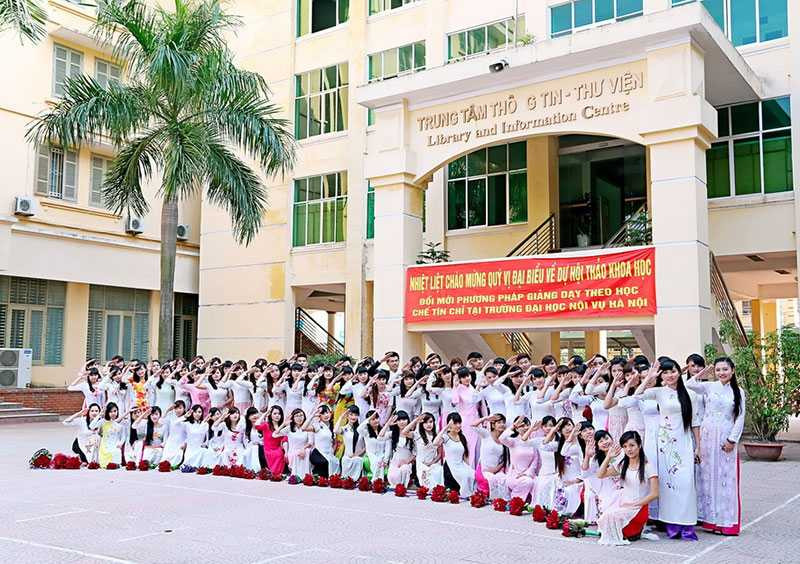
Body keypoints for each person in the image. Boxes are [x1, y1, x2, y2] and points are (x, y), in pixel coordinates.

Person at [635, 358, 700, 540]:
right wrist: (650, 377)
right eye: (665, 373)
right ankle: (672, 524)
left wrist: (698, 447)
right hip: (665, 445)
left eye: (673, 371)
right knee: (668, 485)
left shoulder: (690, 394)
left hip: (684, 442)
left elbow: (695, 422)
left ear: (679, 372)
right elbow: (637, 395)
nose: (670, 375)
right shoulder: (658, 392)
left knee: (686, 484)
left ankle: (687, 525)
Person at [685, 357, 745, 535]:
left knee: (725, 478)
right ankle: (711, 520)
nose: (721, 373)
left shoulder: (738, 391)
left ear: (733, 370)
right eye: (718, 370)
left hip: (725, 436)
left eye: (725, 369)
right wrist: (703, 373)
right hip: (707, 437)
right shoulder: (709, 386)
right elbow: (689, 384)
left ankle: (726, 521)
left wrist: (732, 440)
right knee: (708, 477)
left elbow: (740, 417)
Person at [597, 431, 659, 545]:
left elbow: (655, 494)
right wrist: (608, 457)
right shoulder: (622, 465)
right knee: (606, 517)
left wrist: (636, 504)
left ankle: (636, 529)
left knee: (612, 518)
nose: (628, 449)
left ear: (639, 445)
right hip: (623, 505)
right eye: (625, 446)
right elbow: (600, 475)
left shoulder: (648, 466)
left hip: (638, 508)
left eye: (632, 445)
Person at [435, 412, 475, 496]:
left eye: (459, 423)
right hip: (450, 466)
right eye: (455, 423)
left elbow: (465, 456)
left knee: (472, 474)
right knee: (464, 476)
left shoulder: (462, 437)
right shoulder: (446, 437)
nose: (458, 425)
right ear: (450, 425)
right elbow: (435, 443)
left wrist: (468, 467)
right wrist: (445, 428)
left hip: (461, 465)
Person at [473, 414, 509, 500]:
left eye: (503, 422)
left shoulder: (504, 439)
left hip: (497, 470)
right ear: (493, 425)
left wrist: (496, 469)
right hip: (484, 469)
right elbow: (473, 425)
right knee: (489, 480)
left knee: (504, 480)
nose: (502, 424)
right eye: (499, 422)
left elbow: (504, 460)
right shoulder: (486, 434)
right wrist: (486, 418)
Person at [255, 405, 288, 476]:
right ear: (271, 415)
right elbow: (256, 425)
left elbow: (285, 439)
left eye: (279, 414)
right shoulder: (266, 425)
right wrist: (265, 414)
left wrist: (286, 451)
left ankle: (278, 474)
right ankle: (274, 474)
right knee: (278, 454)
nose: (277, 415)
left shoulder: (283, 426)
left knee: (280, 453)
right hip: (268, 449)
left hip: (279, 448)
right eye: (275, 413)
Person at [336, 405, 365, 480]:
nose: (353, 417)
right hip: (346, 458)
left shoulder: (361, 429)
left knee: (357, 460)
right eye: (351, 414)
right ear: (347, 415)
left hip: (358, 457)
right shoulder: (344, 428)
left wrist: (356, 455)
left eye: (355, 414)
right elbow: (335, 430)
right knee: (345, 461)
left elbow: (365, 446)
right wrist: (341, 417)